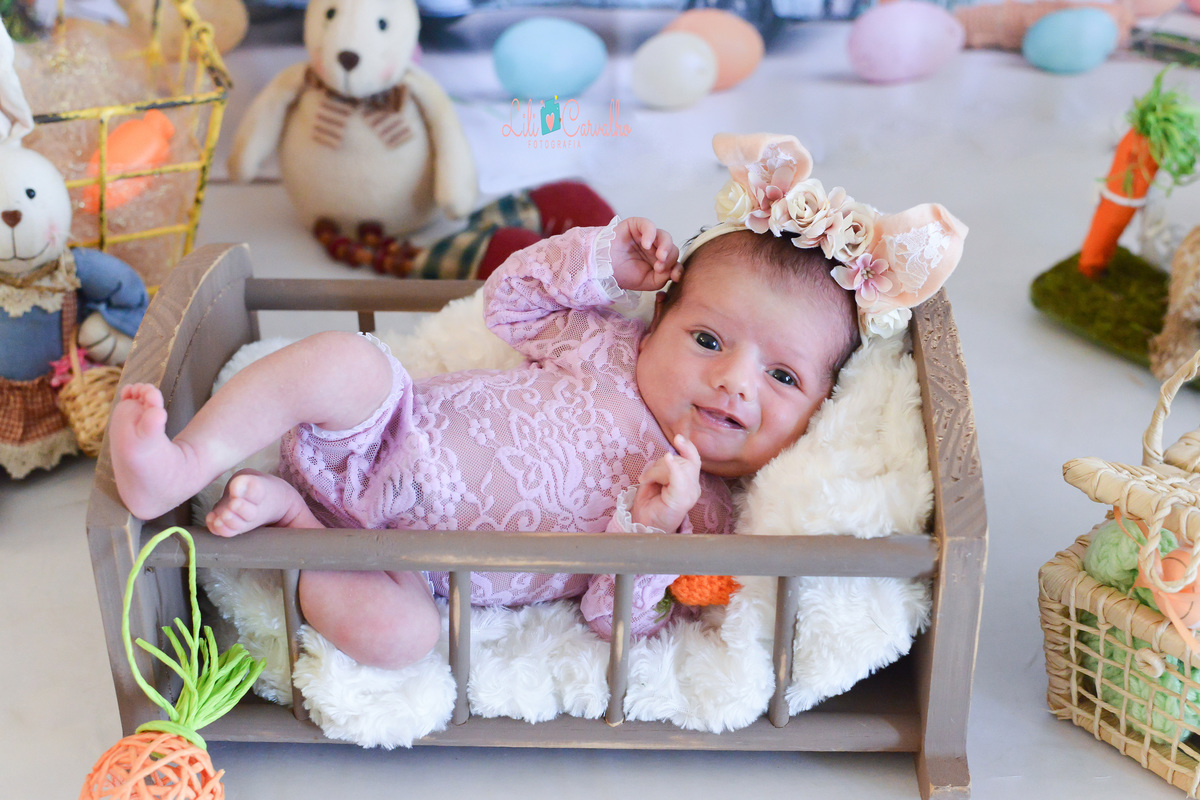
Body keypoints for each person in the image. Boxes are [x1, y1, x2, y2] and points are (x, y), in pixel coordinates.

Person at [108, 132, 966, 671]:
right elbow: (510, 304)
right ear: (659, 321)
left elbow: (610, 618)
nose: (735, 381)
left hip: (412, 572)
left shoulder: (702, 513)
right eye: (708, 340)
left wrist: (646, 531)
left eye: (783, 378)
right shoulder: (608, 347)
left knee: (401, 641)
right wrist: (600, 261)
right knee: (344, 360)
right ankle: (183, 461)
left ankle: (299, 531)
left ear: (820, 409)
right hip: (386, 435)